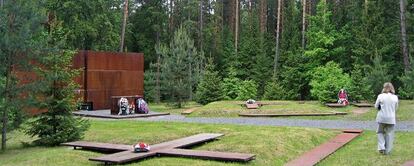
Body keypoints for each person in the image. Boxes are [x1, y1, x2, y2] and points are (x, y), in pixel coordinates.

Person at [374, 82, 398, 155]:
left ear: (384, 88)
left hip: (381, 117)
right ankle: (387, 151)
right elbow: (396, 108)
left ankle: (381, 147)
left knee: (380, 132)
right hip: (391, 118)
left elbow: (376, 106)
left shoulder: (380, 96)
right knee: (389, 134)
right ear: (392, 88)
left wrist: (380, 107)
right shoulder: (395, 97)